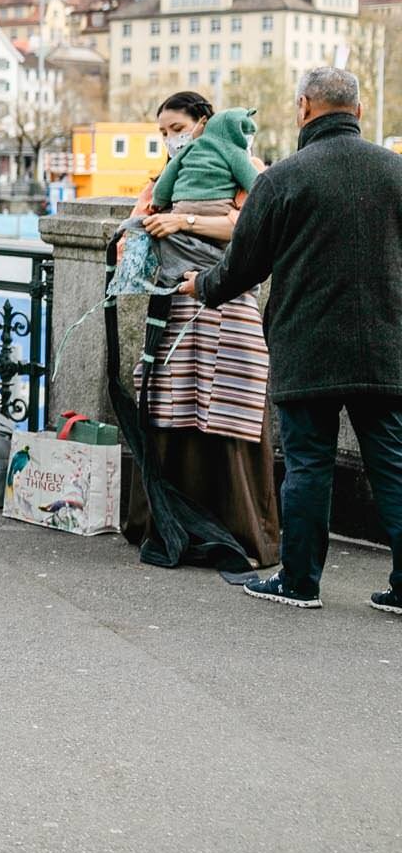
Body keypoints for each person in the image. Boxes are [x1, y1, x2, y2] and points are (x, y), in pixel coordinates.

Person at [183, 68, 402, 614]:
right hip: (386, 345)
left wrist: (199, 285)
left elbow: (241, 267)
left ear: (304, 107)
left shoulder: (283, 178)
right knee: (394, 466)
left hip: (308, 346)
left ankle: (300, 582)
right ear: (358, 108)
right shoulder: (396, 173)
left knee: (307, 466)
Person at [126, 91, 277, 569]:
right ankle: (172, 521)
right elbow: (139, 221)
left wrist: (184, 220)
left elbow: (254, 223)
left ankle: (236, 529)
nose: (170, 139)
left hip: (227, 302)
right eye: (162, 133)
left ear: (203, 122)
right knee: (172, 408)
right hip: (173, 304)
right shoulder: (162, 179)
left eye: (176, 128)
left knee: (232, 404)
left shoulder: (243, 164)